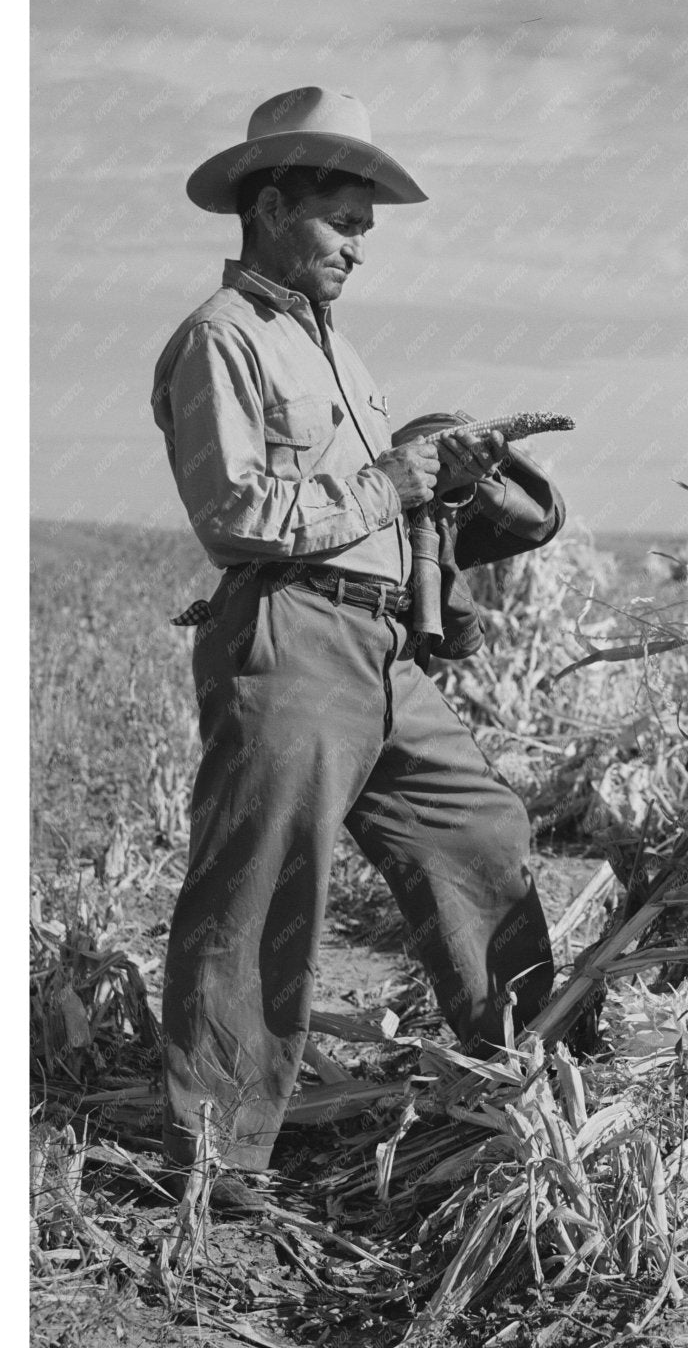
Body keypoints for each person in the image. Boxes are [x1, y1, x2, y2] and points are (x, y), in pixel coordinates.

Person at [151, 85, 567, 1209]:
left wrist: (446, 502)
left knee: (479, 826)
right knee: (266, 881)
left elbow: (375, 500)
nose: (360, 245)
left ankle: (544, 1077)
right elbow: (236, 509)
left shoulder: (339, 351)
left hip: (377, 647)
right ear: (273, 203)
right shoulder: (219, 341)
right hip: (289, 633)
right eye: (345, 219)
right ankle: (216, 1154)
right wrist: (387, 477)